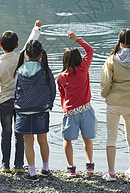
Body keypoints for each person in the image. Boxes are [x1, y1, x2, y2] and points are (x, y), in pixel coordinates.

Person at [0, 20, 42, 173]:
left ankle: (5, 165)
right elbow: (31, 42)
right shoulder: (22, 58)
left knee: (5, 132)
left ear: (0, 45)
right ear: (17, 45)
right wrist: (36, 28)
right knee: (19, 133)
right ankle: (19, 165)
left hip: (5, 102)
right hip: (21, 101)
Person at [100, 29, 130, 182]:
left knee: (111, 138)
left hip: (113, 103)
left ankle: (111, 173)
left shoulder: (111, 60)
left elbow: (106, 83)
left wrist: (105, 95)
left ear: (118, 42)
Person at [14, 40, 56, 181]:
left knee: (28, 142)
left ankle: (32, 173)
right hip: (41, 110)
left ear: (26, 54)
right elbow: (52, 90)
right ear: (40, 54)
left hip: (23, 111)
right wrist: (49, 104)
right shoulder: (45, 70)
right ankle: (45, 169)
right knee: (43, 140)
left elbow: (15, 92)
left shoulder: (20, 70)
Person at [57, 31, 96, 178]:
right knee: (87, 139)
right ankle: (90, 165)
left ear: (64, 61)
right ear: (79, 59)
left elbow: (62, 96)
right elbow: (90, 50)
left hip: (70, 112)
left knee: (67, 140)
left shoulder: (61, 77)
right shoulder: (83, 69)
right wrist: (76, 39)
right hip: (86, 109)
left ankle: (70, 168)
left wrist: (64, 110)